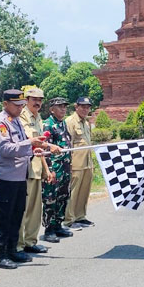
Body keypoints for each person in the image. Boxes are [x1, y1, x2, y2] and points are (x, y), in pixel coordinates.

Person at [0, 89, 48, 268]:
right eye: (17, 105)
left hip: (19, 176)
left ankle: (12, 250)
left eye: (22, 105)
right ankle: (0, 255)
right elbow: (6, 149)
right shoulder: (0, 122)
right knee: (4, 218)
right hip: (6, 177)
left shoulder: (15, 121)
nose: (20, 108)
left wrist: (33, 150)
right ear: (5, 104)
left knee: (17, 215)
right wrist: (29, 143)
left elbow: (21, 146)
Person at [18, 87, 53, 253]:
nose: (38, 103)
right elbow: (31, 141)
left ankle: (30, 242)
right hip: (25, 168)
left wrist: (46, 170)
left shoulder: (38, 118)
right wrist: (51, 146)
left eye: (40, 100)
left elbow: (40, 151)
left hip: (37, 168)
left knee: (35, 209)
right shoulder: (22, 117)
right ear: (26, 100)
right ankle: (18, 245)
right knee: (23, 209)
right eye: (34, 100)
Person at [42, 98, 74, 242]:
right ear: (52, 109)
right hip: (54, 169)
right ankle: (49, 229)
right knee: (51, 198)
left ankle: (58, 224)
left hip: (65, 167)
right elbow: (45, 148)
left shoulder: (63, 124)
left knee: (63, 196)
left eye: (64, 107)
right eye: (59, 107)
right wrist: (49, 169)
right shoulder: (48, 125)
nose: (63, 109)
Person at [65, 96, 95, 229]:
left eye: (87, 107)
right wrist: (69, 164)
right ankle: (69, 219)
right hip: (75, 164)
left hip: (87, 163)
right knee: (73, 192)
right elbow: (68, 144)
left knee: (84, 191)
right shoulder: (70, 121)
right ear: (76, 107)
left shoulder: (86, 122)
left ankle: (80, 216)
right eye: (82, 106)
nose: (85, 109)